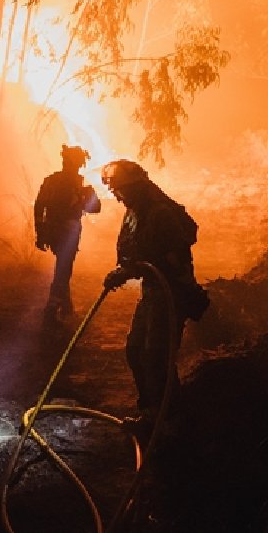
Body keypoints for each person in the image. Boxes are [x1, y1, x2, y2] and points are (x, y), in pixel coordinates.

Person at [100, 159, 209, 439]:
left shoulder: (160, 214)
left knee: (157, 356)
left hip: (170, 294)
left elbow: (175, 260)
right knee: (136, 350)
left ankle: (170, 422)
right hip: (152, 292)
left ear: (134, 187)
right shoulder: (135, 212)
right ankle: (151, 412)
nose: (116, 195)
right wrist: (122, 272)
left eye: (119, 189)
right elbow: (136, 256)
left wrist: (187, 294)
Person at [34, 145, 101, 317]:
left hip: (53, 229)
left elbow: (39, 206)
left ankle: (65, 304)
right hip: (69, 230)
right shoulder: (78, 185)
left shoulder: (52, 180)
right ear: (78, 164)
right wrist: (88, 196)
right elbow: (95, 208)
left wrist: (41, 232)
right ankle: (53, 303)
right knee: (64, 266)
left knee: (62, 264)